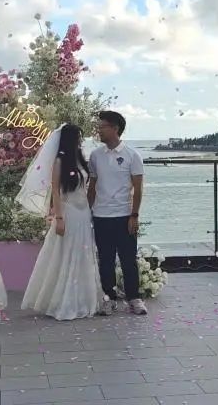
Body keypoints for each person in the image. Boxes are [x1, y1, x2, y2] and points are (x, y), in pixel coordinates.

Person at [17, 123, 103, 320]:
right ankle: (63, 299)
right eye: (78, 137)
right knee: (65, 253)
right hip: (68, 211)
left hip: (83, 213)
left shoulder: (80, 160)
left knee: (83, 252)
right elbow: (55, 191)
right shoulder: (60, 162)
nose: (81, 140)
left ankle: (82, 298)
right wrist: (59, 217)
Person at [89, 110, 147, 315]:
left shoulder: (132, 155)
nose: (99, 130)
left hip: (124, 216)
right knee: (105, 260)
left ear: (115, 128)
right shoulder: (95, 156)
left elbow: (138, 188)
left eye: (102, 127)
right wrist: (88, 212)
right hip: (101, 216)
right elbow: (92, 187)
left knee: (128, 259)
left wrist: (134, 215)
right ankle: (109, 298)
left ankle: (134, 298)